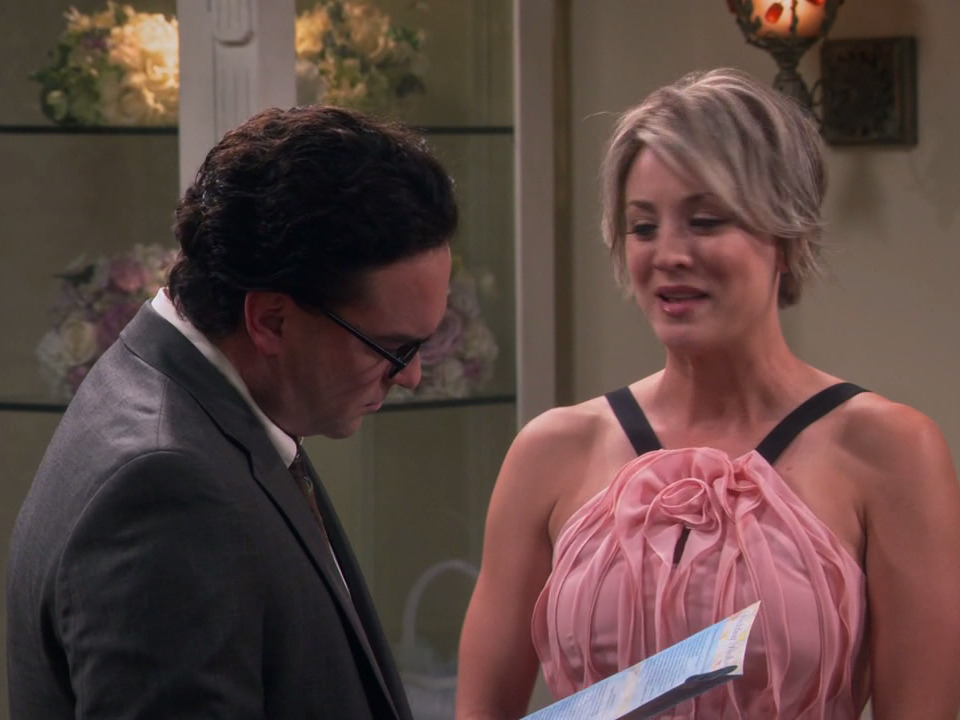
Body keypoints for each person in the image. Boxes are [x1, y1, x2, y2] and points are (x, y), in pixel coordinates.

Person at [456, 67, 960, 719]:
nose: (668, 253)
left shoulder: (888, 450)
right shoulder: (552, 452)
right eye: (643, 227)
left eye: (705, 221)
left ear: (786, 236)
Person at [7, 104, 458, 719]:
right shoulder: (167, 492)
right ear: (271, 319)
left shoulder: (186, 401)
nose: (412, 376)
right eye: (393, 347)